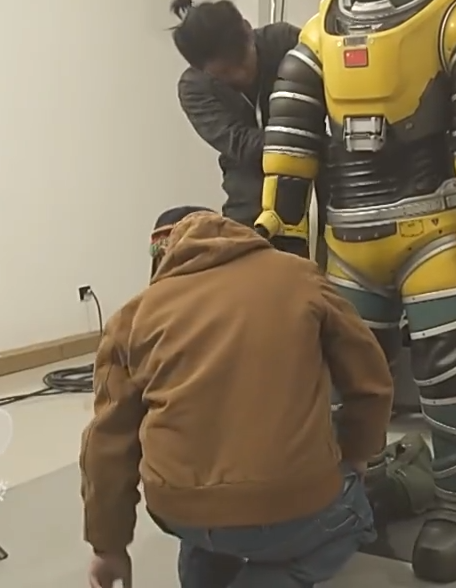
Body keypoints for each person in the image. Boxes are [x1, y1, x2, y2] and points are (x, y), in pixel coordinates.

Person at [81, 207, 393, 588]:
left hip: (177, 508)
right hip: (289, 502)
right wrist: (357, 453)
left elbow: (106, 444)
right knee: (353, 515)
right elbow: (370, 381)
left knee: (204, 515)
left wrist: (108, 547)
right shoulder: (300, 278)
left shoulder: (132, 317)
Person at [170, 0, 319, 259]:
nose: (240, 75)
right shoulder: (194, 88)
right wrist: (303, 139)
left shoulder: (286, 42)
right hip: (251, 208)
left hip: (320, 194)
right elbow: (242, 144)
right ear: (204, 70)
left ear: (249, 31)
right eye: (225, 72)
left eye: (243, 61)